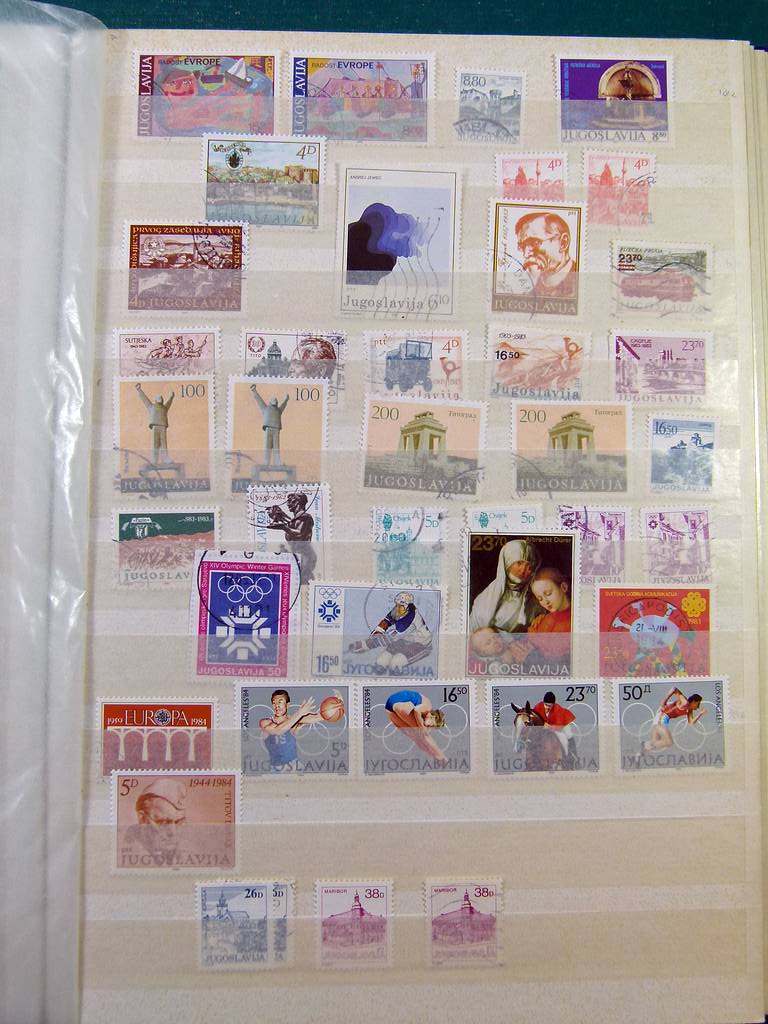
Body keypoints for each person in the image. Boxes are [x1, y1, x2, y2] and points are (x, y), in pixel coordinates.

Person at [468, 539, 541, 634]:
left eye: (529, 567)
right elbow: (474, 634)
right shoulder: (486, 598)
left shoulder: (535, 604)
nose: (523, 570)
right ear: (507, 563)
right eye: (519, 563)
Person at [259, 689, 341, 772]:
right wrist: (300, 713)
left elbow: (321, 716)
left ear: (287, 705)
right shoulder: (265, 722)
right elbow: (278, 731)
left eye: (280, 702)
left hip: (294, 767)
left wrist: (337, 705)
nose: (276, 705)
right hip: (276, 770)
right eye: (274, 703)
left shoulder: (296, 720)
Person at [347, 591, 433, 671]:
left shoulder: (410, 616)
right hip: (406, 639)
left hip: (421, 642)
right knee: (384, 658)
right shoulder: (400, 609)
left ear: (407, 606)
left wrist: (367, 644)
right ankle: (381, 665)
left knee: (397, 661)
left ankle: (420, 653)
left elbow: (394, 635)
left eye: (401, 606)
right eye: (397, 605)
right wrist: (378, 632)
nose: (398, 608)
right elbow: (387, 620)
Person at [122, 778, 187, 865]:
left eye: (179, 822)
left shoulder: (185, 855)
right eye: (164, 822)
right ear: (143, 819)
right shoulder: (124, 855)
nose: (173, 832)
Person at [515, 211, 577, 297]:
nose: (525, 255)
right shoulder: (529, 286)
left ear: (563, 242)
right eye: (522, 246)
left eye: (535, 243)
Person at [384, 689, 447, 764]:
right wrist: (421, 726)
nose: (430, 726)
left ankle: (435, 757)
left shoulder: (425, 713)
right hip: (400, 701)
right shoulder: (428, 707)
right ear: (433, 717)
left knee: (415, 737)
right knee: (424, 734)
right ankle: (442, 757)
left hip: (389, 707)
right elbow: (417, 710)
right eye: (432, 725)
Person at [641, 686, 706, 753]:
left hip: (665, 719)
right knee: (668, 742)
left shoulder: (689, 710)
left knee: (655, 742)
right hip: (662, 716)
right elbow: (674, 689)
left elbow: (691, 722)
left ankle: (641, 752)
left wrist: (700, 714)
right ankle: (646, 745)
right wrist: (664, 701)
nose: (698, 707)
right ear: (694, 702)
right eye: (698, 704)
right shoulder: (685, 702)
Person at [531, 690, 577, 762]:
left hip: (562, 724)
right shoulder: (538, 707)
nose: (547, 707)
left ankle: (573, 756)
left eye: (549, 706)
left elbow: (559, 727)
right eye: (546, 705)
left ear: (553, 704)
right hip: (547, 725)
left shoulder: (557, 710)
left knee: (568, 735)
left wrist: (547, 727)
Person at [135, 383, 174, 464]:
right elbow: (145, 399)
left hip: (163, 426)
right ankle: (154, 459)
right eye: (159, 398)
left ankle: (165, 459)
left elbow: (169, 402)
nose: (160, 399)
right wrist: (139, 390)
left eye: (161, 398)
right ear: (155, 400)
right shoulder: (151, 407)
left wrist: (171, 397)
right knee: (155, 444)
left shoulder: (164, 408)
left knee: (163, 444)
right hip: (155, 426)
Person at [250, 386, 289, 466]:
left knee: (276, 447)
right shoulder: (266, 408)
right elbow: (259, 400)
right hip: (269, 428)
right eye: (274, 400)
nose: (275, 400)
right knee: (267, 446)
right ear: (270, 402)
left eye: (276, 400)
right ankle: (266, 461)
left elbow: (283, 405)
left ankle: (277, 462)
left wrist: (286, 399)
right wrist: (254, 391)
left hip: (276, 429)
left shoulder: (278, 410)